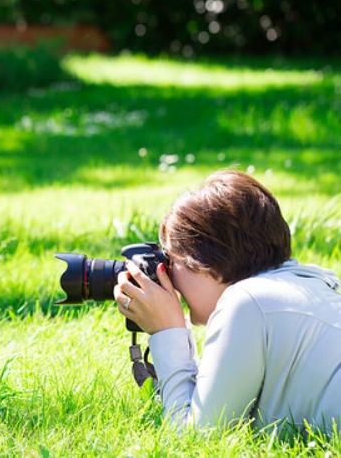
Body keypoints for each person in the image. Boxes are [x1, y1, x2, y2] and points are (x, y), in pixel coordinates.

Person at [114, 170, 341, 434]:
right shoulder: (312, 284)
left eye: (172, 262)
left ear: (207, 263)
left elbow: (198, 439)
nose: (169, 277)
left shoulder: (247, 301)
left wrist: (167, 332)